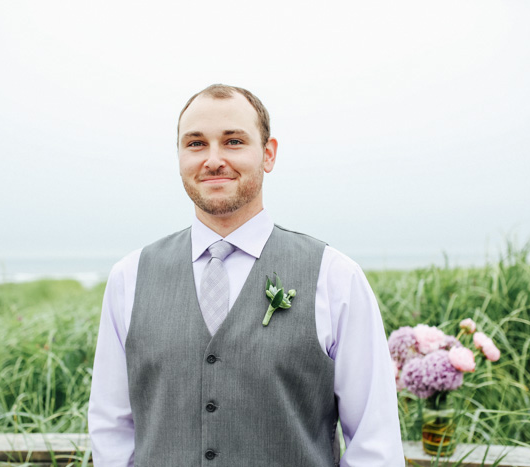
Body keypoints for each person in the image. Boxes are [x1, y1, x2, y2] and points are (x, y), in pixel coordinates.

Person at [88, 84, 405, 466]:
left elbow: (375, 442)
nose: (214, 159)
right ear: (179, 156)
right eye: (195, 144)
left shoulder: (335, 277)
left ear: (268, 154)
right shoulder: (129, 278)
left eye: (234, 141)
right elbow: (111, 428)